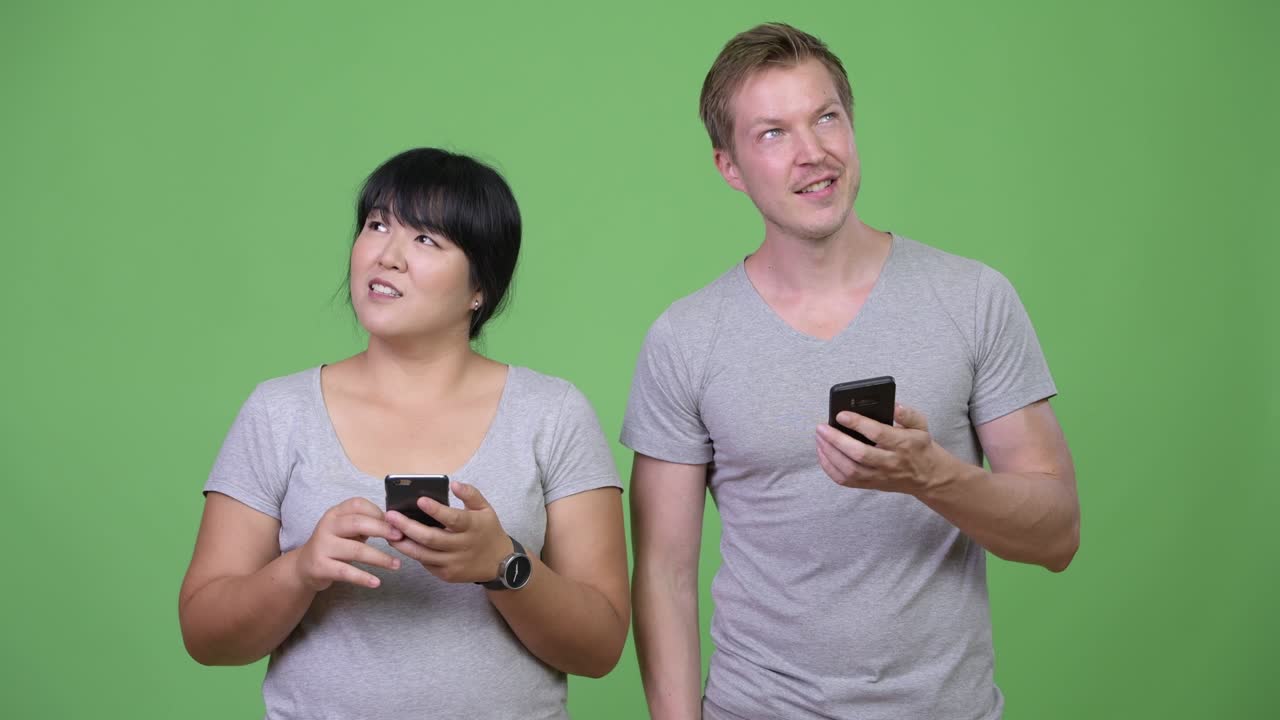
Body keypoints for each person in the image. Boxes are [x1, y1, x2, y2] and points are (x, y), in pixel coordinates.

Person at [623, 23, 1080, 720]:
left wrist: (931, 475)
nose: (813, 153)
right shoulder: (685, 339)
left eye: (826, 117)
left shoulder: (973, 298)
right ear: (730, 167)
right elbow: (662, 576)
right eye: (773, 133)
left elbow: (1057, 535)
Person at [179, 148, 630, 719]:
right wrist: (300, 570)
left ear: (480, 289)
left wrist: (504, 563)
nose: (387, 254)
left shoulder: (553, 413)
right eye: (377, 225)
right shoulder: (278, 412)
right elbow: (205, 635)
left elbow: (602, 647)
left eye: (426, 240)